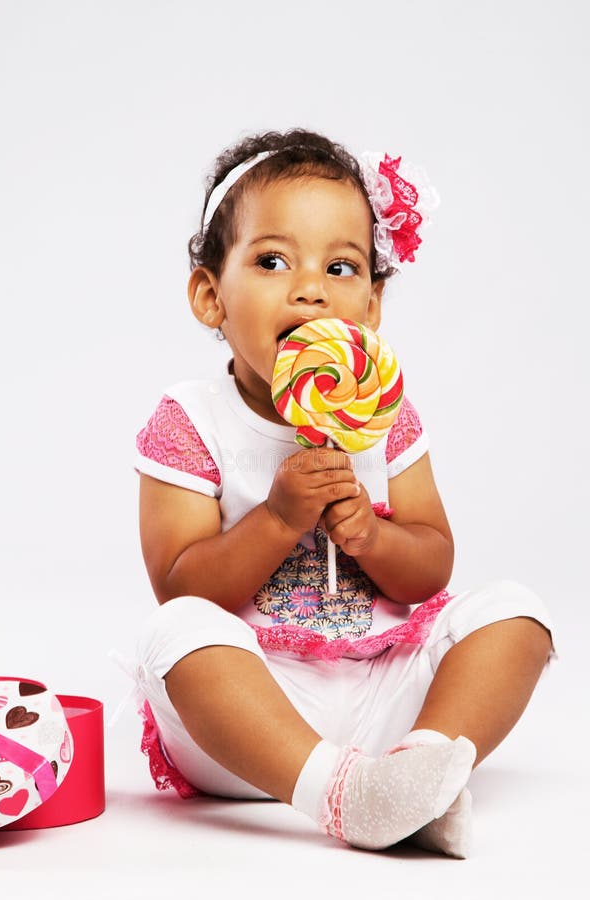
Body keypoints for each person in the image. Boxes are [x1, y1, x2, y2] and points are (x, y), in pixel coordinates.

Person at [132, 129, 554, 858]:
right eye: (271, 261)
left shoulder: (380, 415)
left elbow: (432, 566)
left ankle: (416, 769)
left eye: (340, 266)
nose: (309, 287)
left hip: (382, 692)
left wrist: (373, 537)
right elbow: (179, 586)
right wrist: (277, 517)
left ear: (372, 304)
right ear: (209, 294)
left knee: (517, 613)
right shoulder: (193, 420)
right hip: (251, 717)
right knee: (174, 640)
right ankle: (341, 793)